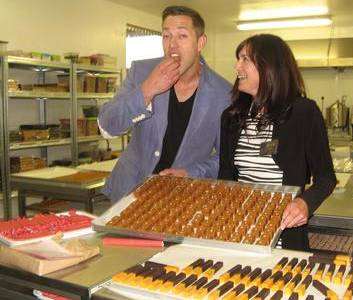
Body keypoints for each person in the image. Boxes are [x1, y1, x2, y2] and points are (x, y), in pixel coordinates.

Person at [98, 6, 231, 202]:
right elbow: (107, 127)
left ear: (200, 42)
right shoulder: (141, 72)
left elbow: (225, 158)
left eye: (182, 36)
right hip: (128, 193)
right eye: (166, 36)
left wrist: (191, 172)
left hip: (181, 199)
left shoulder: (223, 94)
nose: (172, 45)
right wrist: (147, 89)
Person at [218, 34, 336, 251]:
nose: (237, 66)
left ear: (268, 66)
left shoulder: (303, 113)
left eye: (245, 59)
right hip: (239, 236)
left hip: (284, 239)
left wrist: (305, 203)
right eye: (238, 59)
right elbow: (225, 178)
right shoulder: (231, 117)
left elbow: (326, 178)